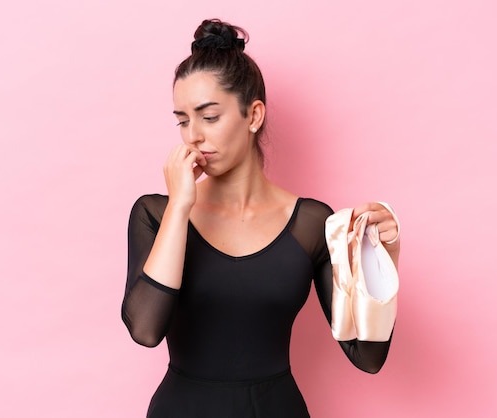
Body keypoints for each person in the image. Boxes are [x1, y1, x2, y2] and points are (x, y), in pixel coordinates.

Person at [121, 18, 400, 418]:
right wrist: (180, 206)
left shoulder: (311, 224)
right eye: (183, 120)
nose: (192, 136)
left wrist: (380, 257)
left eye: (209, 116)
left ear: (253, 116)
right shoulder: (155, 213)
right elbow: (145, 330)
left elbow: (368, 356)